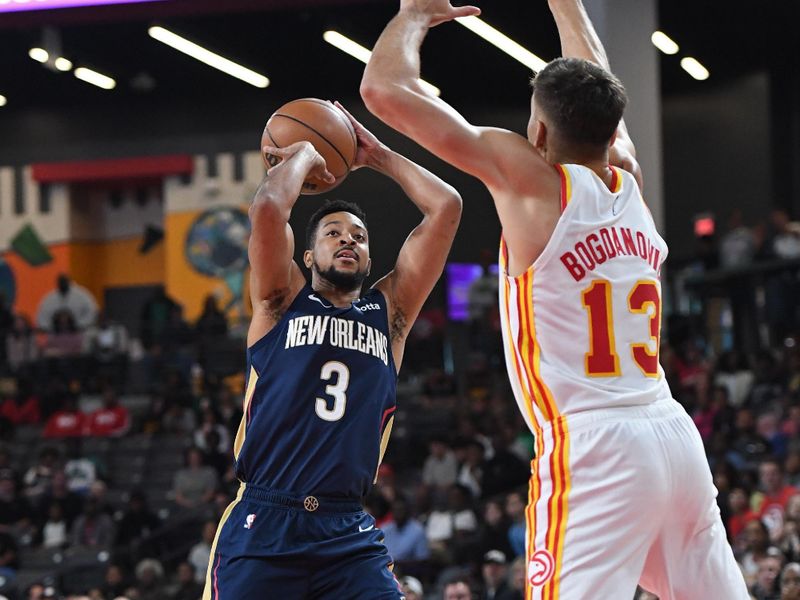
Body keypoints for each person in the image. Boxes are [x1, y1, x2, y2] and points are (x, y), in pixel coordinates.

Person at [361, 0, 748, 597]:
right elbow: (597, 79)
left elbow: (383, 90)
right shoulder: (627, 176)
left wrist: (414, 14)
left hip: (594, 446)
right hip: (672, 433)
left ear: (537, 132)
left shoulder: (530, 178)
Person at [202, 101, 461, 599]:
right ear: (306, 254)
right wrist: (301, 154)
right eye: (334, 234)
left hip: (346, 530)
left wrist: (378, 155)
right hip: (265, 519)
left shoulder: (390, 315)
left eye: (360, 237)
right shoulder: (280, 303)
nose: (349, 240)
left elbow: (446, 207)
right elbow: (269, 210)